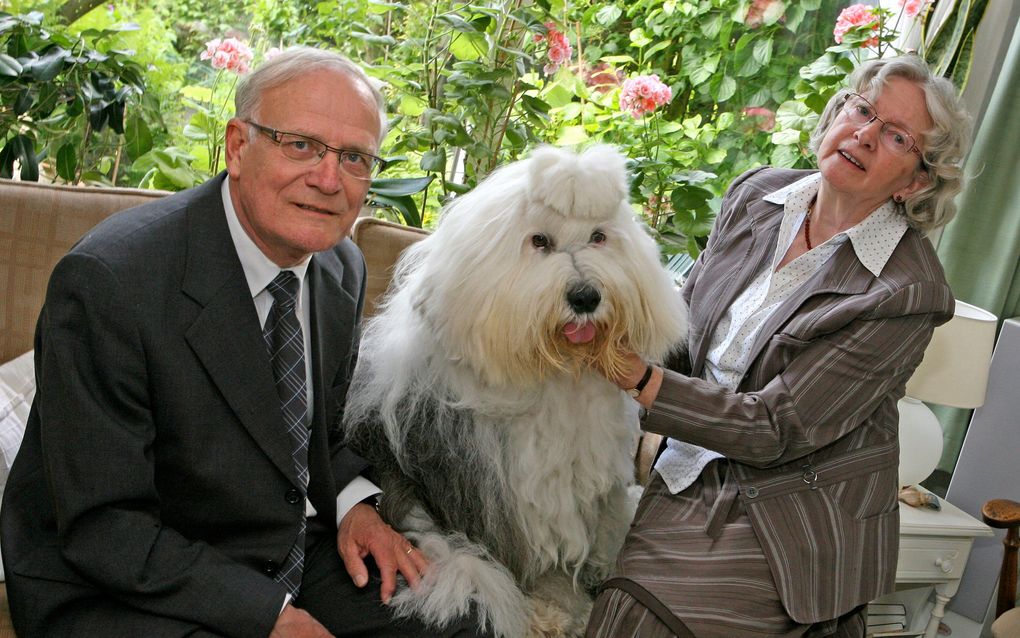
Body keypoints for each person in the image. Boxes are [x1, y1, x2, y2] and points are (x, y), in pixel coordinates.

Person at [0, 47, 489, 638]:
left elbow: (320, 433)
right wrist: (267, 617)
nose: (329, 179)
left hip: (280, 546)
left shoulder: (339, 269)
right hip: (124, 580)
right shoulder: (110, 283)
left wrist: (356, 506)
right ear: (237, 146)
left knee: (461, 625)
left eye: (355, 157)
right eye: (301, 145)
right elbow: (104, 526)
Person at [586, 55, 973, 637]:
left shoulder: (906, 290)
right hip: (692, 460)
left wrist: (635, 378)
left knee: (641, 617)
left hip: (792, 506)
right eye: (862, 109)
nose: (864, 135)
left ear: (917, 180)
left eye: (896, 136)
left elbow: (776, 427)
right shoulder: (757, 195)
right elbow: (686, 333)